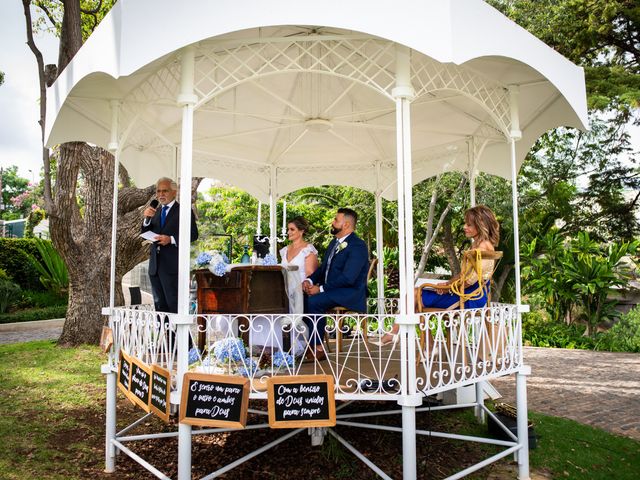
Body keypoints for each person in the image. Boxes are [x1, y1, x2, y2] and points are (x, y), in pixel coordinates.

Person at [376, 205, 499, 345]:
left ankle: (399, 335)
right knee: (415, 302)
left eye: (469, 224)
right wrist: (447, 284)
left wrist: (448, 288)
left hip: (468, 298)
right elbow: (463, 276)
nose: (465, 227)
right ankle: (425, 345)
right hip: (466, 293)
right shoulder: (479, 244)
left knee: (413, 295)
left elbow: (469, 281)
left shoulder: (482, 247)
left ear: (481, 224)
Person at [302, 208, 369, 361]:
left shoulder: (358, 246)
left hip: (349, 292)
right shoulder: (334, 242)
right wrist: (310, 281)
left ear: (346, 225)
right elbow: (323, 268)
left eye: (335, 220)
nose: (332, 223)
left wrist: (321, 289)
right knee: (301, 299)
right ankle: (305, 344)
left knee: (313, 302)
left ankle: (317, 348)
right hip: (332, 290)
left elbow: (348, 278)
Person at [142, 177, 199, 314]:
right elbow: (146, 232)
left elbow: (193, 234)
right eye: (158, 191)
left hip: (173, 267)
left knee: (174, 306)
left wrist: (172, 239)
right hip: (155, 267)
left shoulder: (184, 211)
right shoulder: (155, 212)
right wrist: (146, 220)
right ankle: (167, 336)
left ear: (174, 191)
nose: (161, 194)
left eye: (165, 191)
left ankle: (182, 336)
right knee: (160, 309)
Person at [279, 216, 319, 314]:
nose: (288, 232)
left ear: (301, 231)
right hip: (283, 291)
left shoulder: (308, 250)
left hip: (301, 292)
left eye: (292, 229)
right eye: (288, 229)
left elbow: (311, 275)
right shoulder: (285, 250)